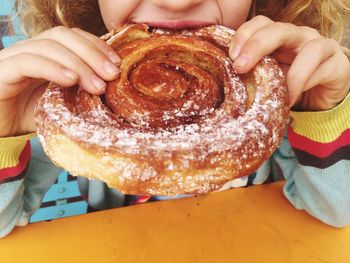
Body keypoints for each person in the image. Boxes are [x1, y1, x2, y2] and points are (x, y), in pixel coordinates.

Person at [0, 0, 349, 237]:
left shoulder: (276, 92)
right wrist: (5, 130)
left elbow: (338, 211)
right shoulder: (72, 98)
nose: (177, 1)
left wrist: (323, 114)